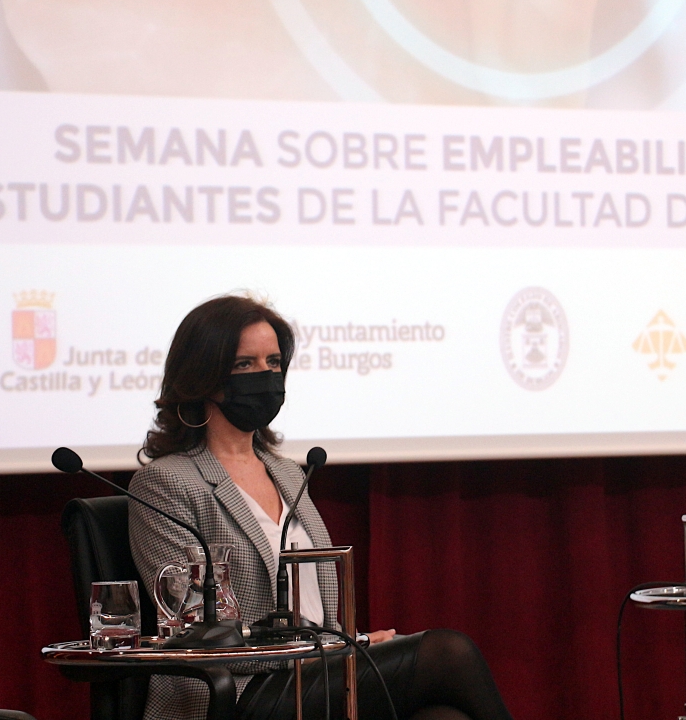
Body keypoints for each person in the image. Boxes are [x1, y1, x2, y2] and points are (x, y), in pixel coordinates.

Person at [129, 294, 515, 720]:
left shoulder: (287, 472)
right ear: (203, 375)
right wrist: (329, 652)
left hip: (312, 671)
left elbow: (314, 607)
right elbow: (198, 630)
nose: (265, 376)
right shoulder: (165, 482)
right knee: (446, 652)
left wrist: (351, 643)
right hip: (233, 691)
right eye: (245, 364)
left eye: (274, 363)